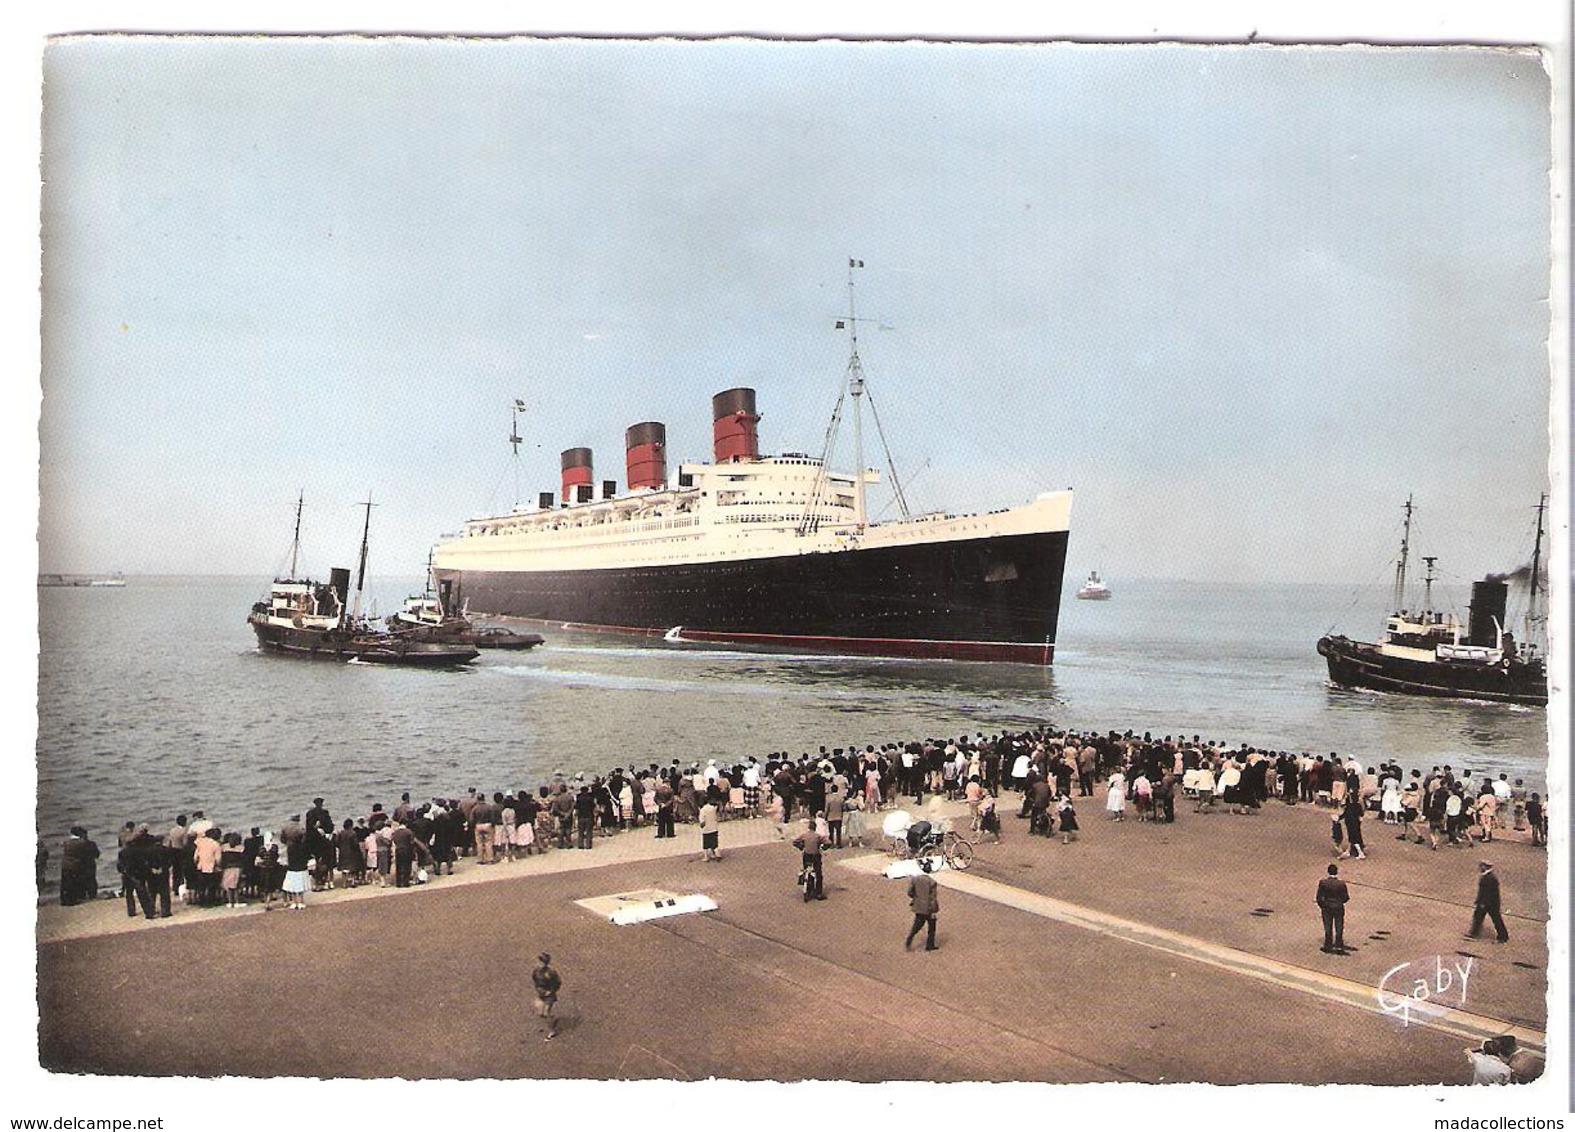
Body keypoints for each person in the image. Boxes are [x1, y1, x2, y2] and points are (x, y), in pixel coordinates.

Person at [1466, 861, 1509, 943]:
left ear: (1485, 867)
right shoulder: (1487, 876)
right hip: (1486, 903)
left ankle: (1503, 937)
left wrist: (1483, 903)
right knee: (1478, 917)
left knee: (1496, 920)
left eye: (1481, 866)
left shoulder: (1490, 878)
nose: (1479, 868)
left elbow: (1488, 893)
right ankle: (1474, 933)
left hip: (1490, 904)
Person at [904, 857, 939, 951]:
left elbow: (910, 892)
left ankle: (910, 938)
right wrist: (934, 910)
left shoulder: (915, 879)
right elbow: (933, 898)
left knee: (917, 925)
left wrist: (916, 898)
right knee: (931, 927)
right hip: (928, 908)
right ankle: (929, 945)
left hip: (918, 906)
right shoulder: (932, 882)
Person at [1316, 863, 1349, 954]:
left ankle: (1328, 944)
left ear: (1328, 872)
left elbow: (1319, 897)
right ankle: (1339, 944)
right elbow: (1346, 897)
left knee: (1328, 926)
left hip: (1327, 907)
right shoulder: (1341, 884)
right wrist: (1340, 903)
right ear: (1337, 872)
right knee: (1339, 925)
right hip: (1338, 907)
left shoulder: (1323, 883)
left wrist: (1323, 905)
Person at [793, 818, 827, 901]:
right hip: (815, 856)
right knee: (818, 873)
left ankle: (808, 887)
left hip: (806, 855)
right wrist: (823, 848)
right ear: (815, 828)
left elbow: (795, 842)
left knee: (806, 870)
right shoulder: (818, 836)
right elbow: (828, 842)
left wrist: (801, 847)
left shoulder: (804, 835)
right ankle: (819, 893)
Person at [531, 953, 562, 1041]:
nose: (538, 964)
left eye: (541, 962)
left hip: (549, 996)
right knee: (541, 1014)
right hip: (541, 994)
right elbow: (534, 979)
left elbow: (558, 982)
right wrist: (538, 989)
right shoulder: (536, 971)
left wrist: (551, 991)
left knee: (546, 1013)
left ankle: (552, 1031)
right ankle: (553, 1020)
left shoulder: (550, 973)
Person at [698, 797, 721, 862]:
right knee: (714, 843)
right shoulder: (713, 808)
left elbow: (702, 822)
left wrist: (701, 826)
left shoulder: (702, 810)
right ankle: (717, 854)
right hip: (714, 828)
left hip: (706, 830)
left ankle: (706, 857)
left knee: (706, 844)